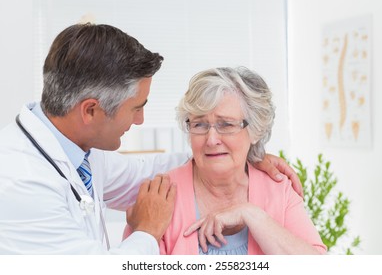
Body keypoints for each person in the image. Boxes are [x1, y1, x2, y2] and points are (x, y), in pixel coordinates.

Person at [0, 23, 300, 255]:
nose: (140, 120)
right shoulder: (22, 182)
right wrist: (147, 231)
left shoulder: (79, 151)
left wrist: (243, 153)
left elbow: (148, 172)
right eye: (136, 108)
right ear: (90, 110)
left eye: (226, 124)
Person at [124, 67, 327, 254]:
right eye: (200, 125)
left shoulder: (278, 190)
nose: (211, 140)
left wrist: (251, 215)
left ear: (255, 130)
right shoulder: (158, 199)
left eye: (226, 125)